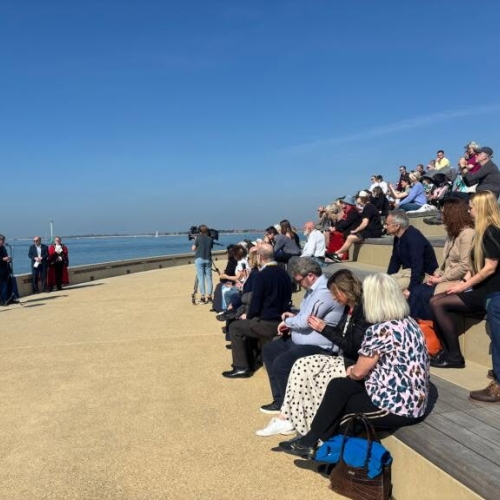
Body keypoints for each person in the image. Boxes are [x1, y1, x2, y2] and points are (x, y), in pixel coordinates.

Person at [278, 273, 430, 459]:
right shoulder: (410, 322)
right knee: (338, 386)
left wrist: (352, 370)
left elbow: (358, 372)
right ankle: (308, 442)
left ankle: (328, 455)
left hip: (397, 406)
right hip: (412, 398)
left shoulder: (381, 329)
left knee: (342, 409)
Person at [256, 269, 370, 437]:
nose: (333, 298)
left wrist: (323, 329)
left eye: (336, 293)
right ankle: (286, 417)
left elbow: (353, 347)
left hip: (348, 362)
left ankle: (292, 420)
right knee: (296, 364)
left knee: (298, 366)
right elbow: (340, 335)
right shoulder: (348, 310)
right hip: (341, 358)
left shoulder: (362, 313)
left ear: (346, 290)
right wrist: (324, 328)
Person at [258, 258, 344, 414]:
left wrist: (287, 321)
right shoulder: (313, 291)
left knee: (281, 363)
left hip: (320, 346)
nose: (299, 284)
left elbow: (305, 321)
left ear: (310, 276)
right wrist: (294, 316)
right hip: (301, 340)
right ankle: (281, 401)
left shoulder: (324, 292)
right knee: (270, 350)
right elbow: (305, 315)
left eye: (299, 280)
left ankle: (290, 412)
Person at [430, 191, 500, 368]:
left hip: (491, 291)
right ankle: (447, 352)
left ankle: (454, 357)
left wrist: (464, 286)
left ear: (481, 208)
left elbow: (489, 268)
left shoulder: (492, 232)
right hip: (480, 288)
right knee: (436, 300)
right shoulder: (481, 231)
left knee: (438, 303)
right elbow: (474, 267)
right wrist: (460, 284)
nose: (468, 212)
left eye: (471, 208)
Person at [222, 243, 292, 378]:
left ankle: (241, 367)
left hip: (267, 322)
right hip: (282, 319)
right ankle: (254, 357)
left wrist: (247, 315)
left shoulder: (262, 275)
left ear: (260, 256)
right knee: (245, 324)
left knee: (235, 327)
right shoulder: (284, 273)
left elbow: (256, 303)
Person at [409, 198, 474, 320]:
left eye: (443, 214)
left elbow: (465, 266)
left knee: (424, 295)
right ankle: (413, 327)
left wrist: (441, 279)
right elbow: (445, 263)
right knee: (416, 291)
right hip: (445, 277)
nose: (441, 217)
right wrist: (436, 275)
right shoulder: (452, 234)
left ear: (453, 215)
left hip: (459, 280)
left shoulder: (467, 234)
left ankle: (425, 330)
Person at [385, 210, 438, 293]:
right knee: (381, 283)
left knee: (389, 288)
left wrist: (411, 289)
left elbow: (417, 266)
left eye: (387, 224)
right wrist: (387, 277)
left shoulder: (413, 237)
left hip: (424, 275)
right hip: (407, 272)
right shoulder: (398, 238)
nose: (385, 227)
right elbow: (394, 262)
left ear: (397, 226)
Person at [329, 191, 383, 262]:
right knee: (349, 237)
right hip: (372, 230)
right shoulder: (368, 207)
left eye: (357, 197)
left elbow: (364, 223)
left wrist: (356, 230)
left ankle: (337, 253)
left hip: (373, 231)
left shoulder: (368, 208)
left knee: (350, 237)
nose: (356, 199)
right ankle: (339, 255)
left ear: (361, 198)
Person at [191, 225, 214, 304]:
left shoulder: (198, 238)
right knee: (209, 278)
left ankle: (203, 297)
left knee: (201, 279)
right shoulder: (210, 239)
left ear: (199, 231)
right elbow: (209, 247)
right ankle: (210, 297)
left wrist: (196, 241)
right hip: (208, 259)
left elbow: (193, 249)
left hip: (199, 259)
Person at [0, 234, 12, 305]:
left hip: (6, 269)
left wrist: (8, 259)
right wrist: (3, 259)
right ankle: (1, 301)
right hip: (0, 270)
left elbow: (6, 256)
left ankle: (9, 299)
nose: (2, 241)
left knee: (9, 284)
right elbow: (2, 258)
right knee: (1, 286)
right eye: (1, 240)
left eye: (3, 240)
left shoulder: (3, 248)